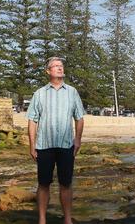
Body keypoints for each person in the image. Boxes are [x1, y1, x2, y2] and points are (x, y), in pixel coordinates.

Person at [27, 57, 85, 224]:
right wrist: (32, 145)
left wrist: (78, 140)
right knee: (43, 184)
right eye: (56, 66)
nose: (60, 68)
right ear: (48, 71)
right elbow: (32, 120)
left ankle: (67, 219)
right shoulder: (39, 93)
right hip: (44, 146)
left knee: (66, 184)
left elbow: (79, 118)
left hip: (66, 145)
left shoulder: (72, 92)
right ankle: (42, 219)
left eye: (61, 66)